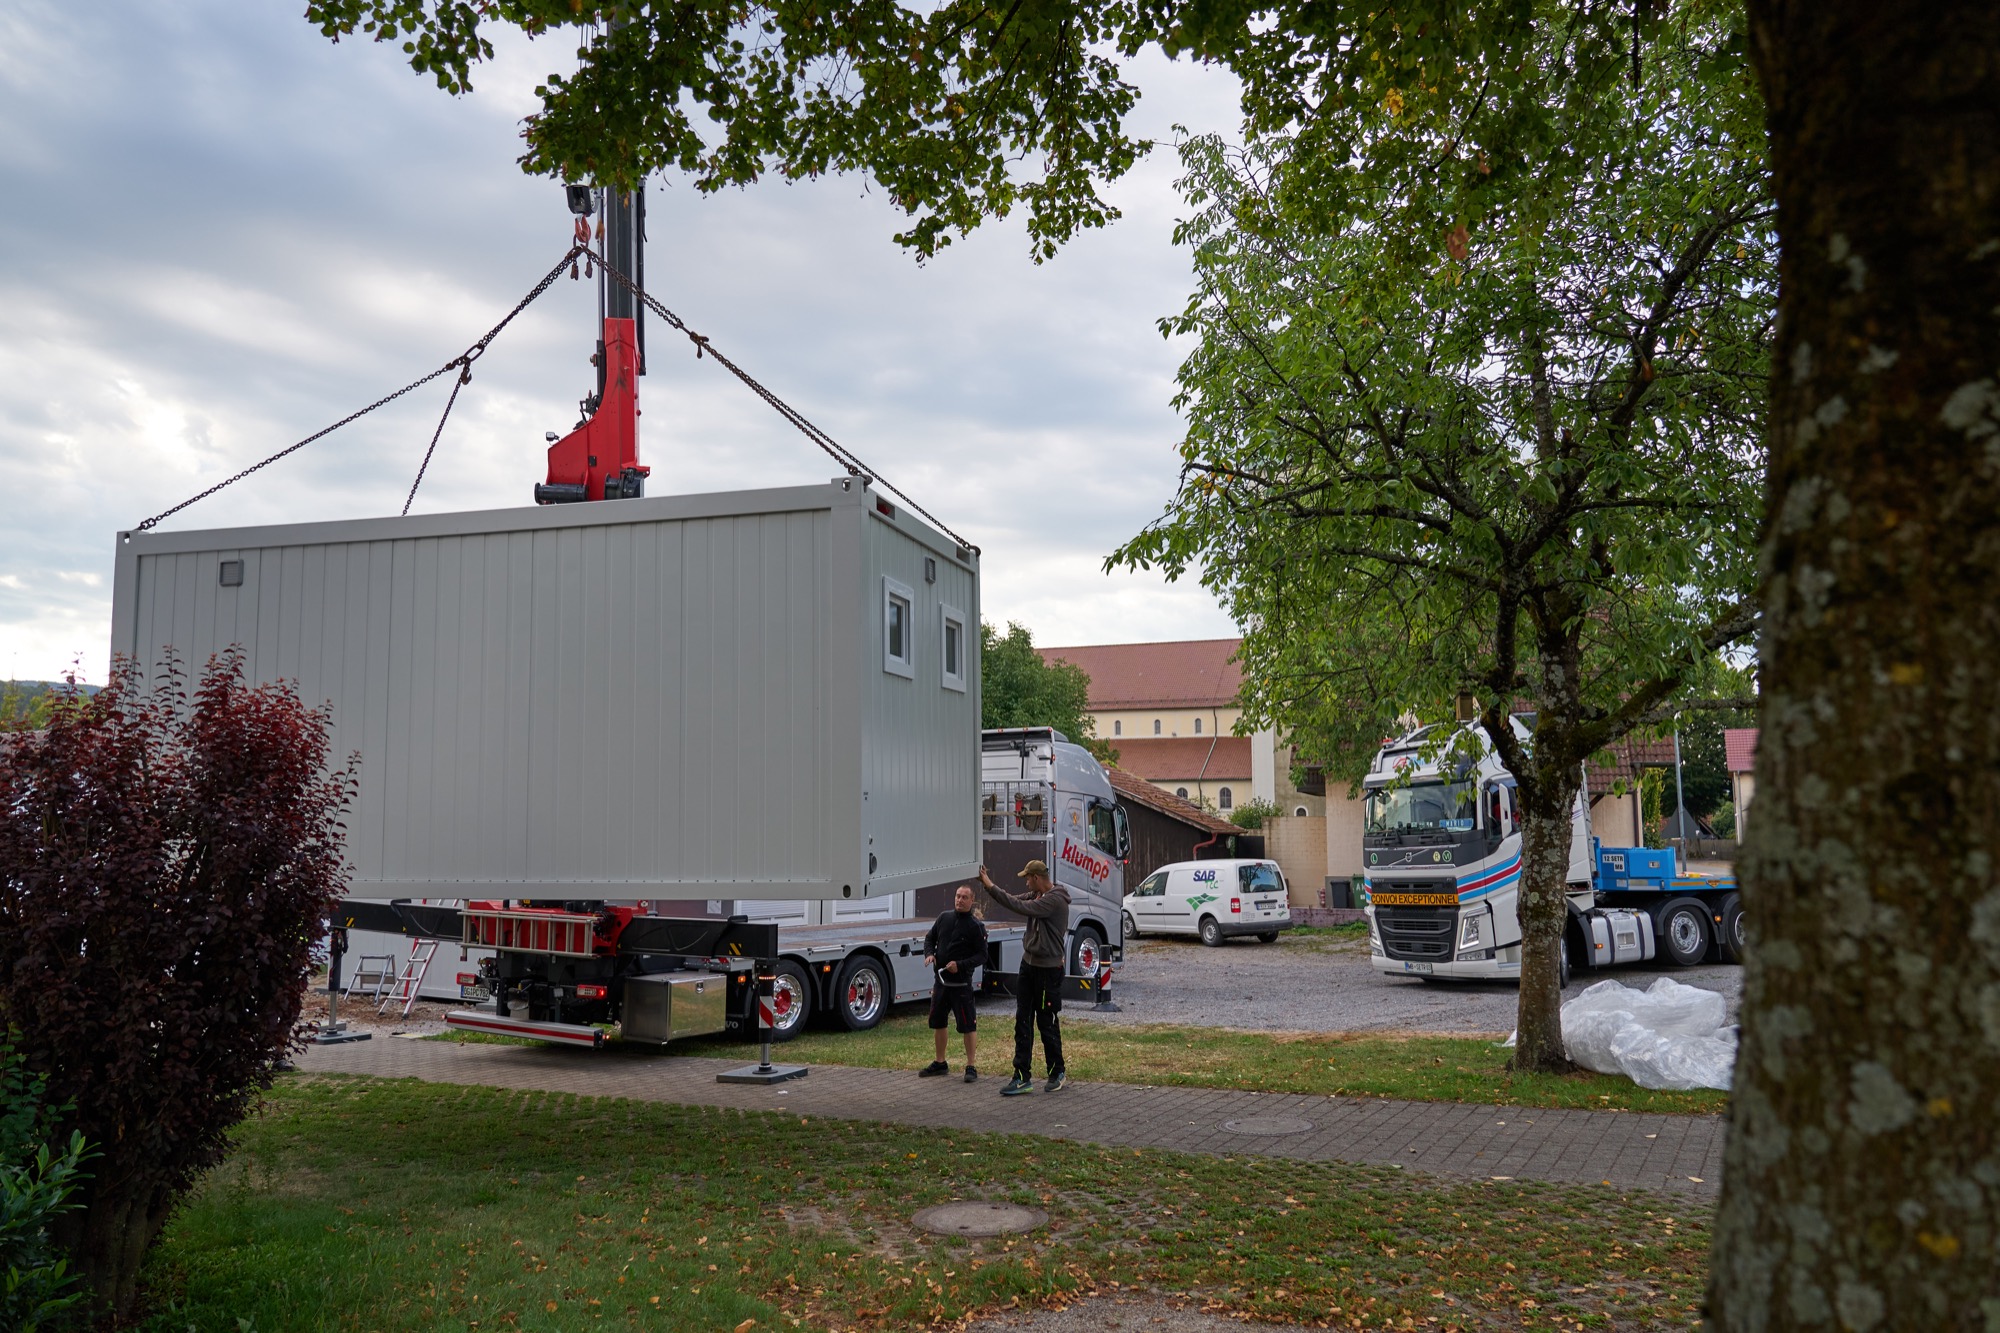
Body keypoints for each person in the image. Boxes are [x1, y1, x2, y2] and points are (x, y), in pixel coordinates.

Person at [977, 860, 1069, 1095]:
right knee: (1023, 1020)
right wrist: (989, 887)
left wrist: (989, 884)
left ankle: (1057, 1072)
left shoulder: (1053, 900)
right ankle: (1021, 1076)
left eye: (1027, 878)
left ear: (1037, 878)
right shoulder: (1038, 894)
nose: (1026, 882)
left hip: (1048, 970)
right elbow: (1012, 899)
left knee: (1046, 1021)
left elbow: (1018, 905)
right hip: (1028, 965)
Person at [920, 884, 988, 1082]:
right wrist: (930, 954)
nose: (959, 900)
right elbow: (929, 938)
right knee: (938, 1022)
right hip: (941, 983)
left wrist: (960, 965)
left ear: (971, 901)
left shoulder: (976, 926)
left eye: (964, 897)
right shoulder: (944, 918)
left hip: (961, 985)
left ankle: (970, 1066)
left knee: (968, 1025)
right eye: (957, 896)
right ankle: (940, 1062)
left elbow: (982, 955)